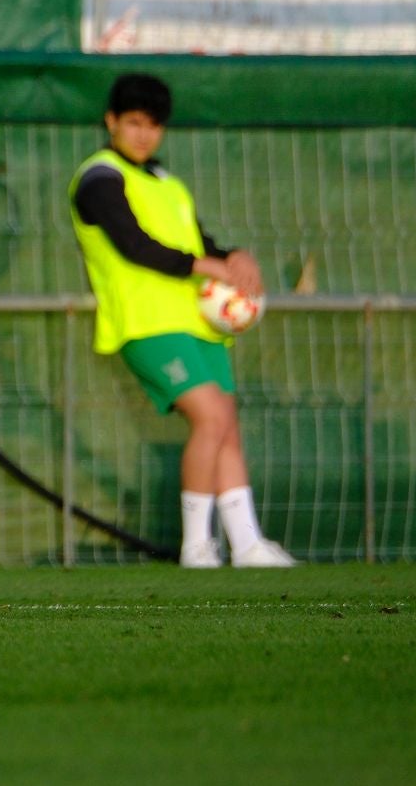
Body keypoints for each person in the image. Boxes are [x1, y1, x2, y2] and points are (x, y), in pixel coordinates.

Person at [68, 73, 294, 568]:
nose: (144, 134)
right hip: (145, 324)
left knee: (225, 424)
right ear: (111, 121)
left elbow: (199, 243)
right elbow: (134, 244)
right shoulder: (98, 178)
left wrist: (235, 257)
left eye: (154, 125)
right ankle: (197, 545)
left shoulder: (167, 182)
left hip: (196, 323)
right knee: (211, 416)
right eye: (134, 123)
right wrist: (205, 265)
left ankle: (248, 543)